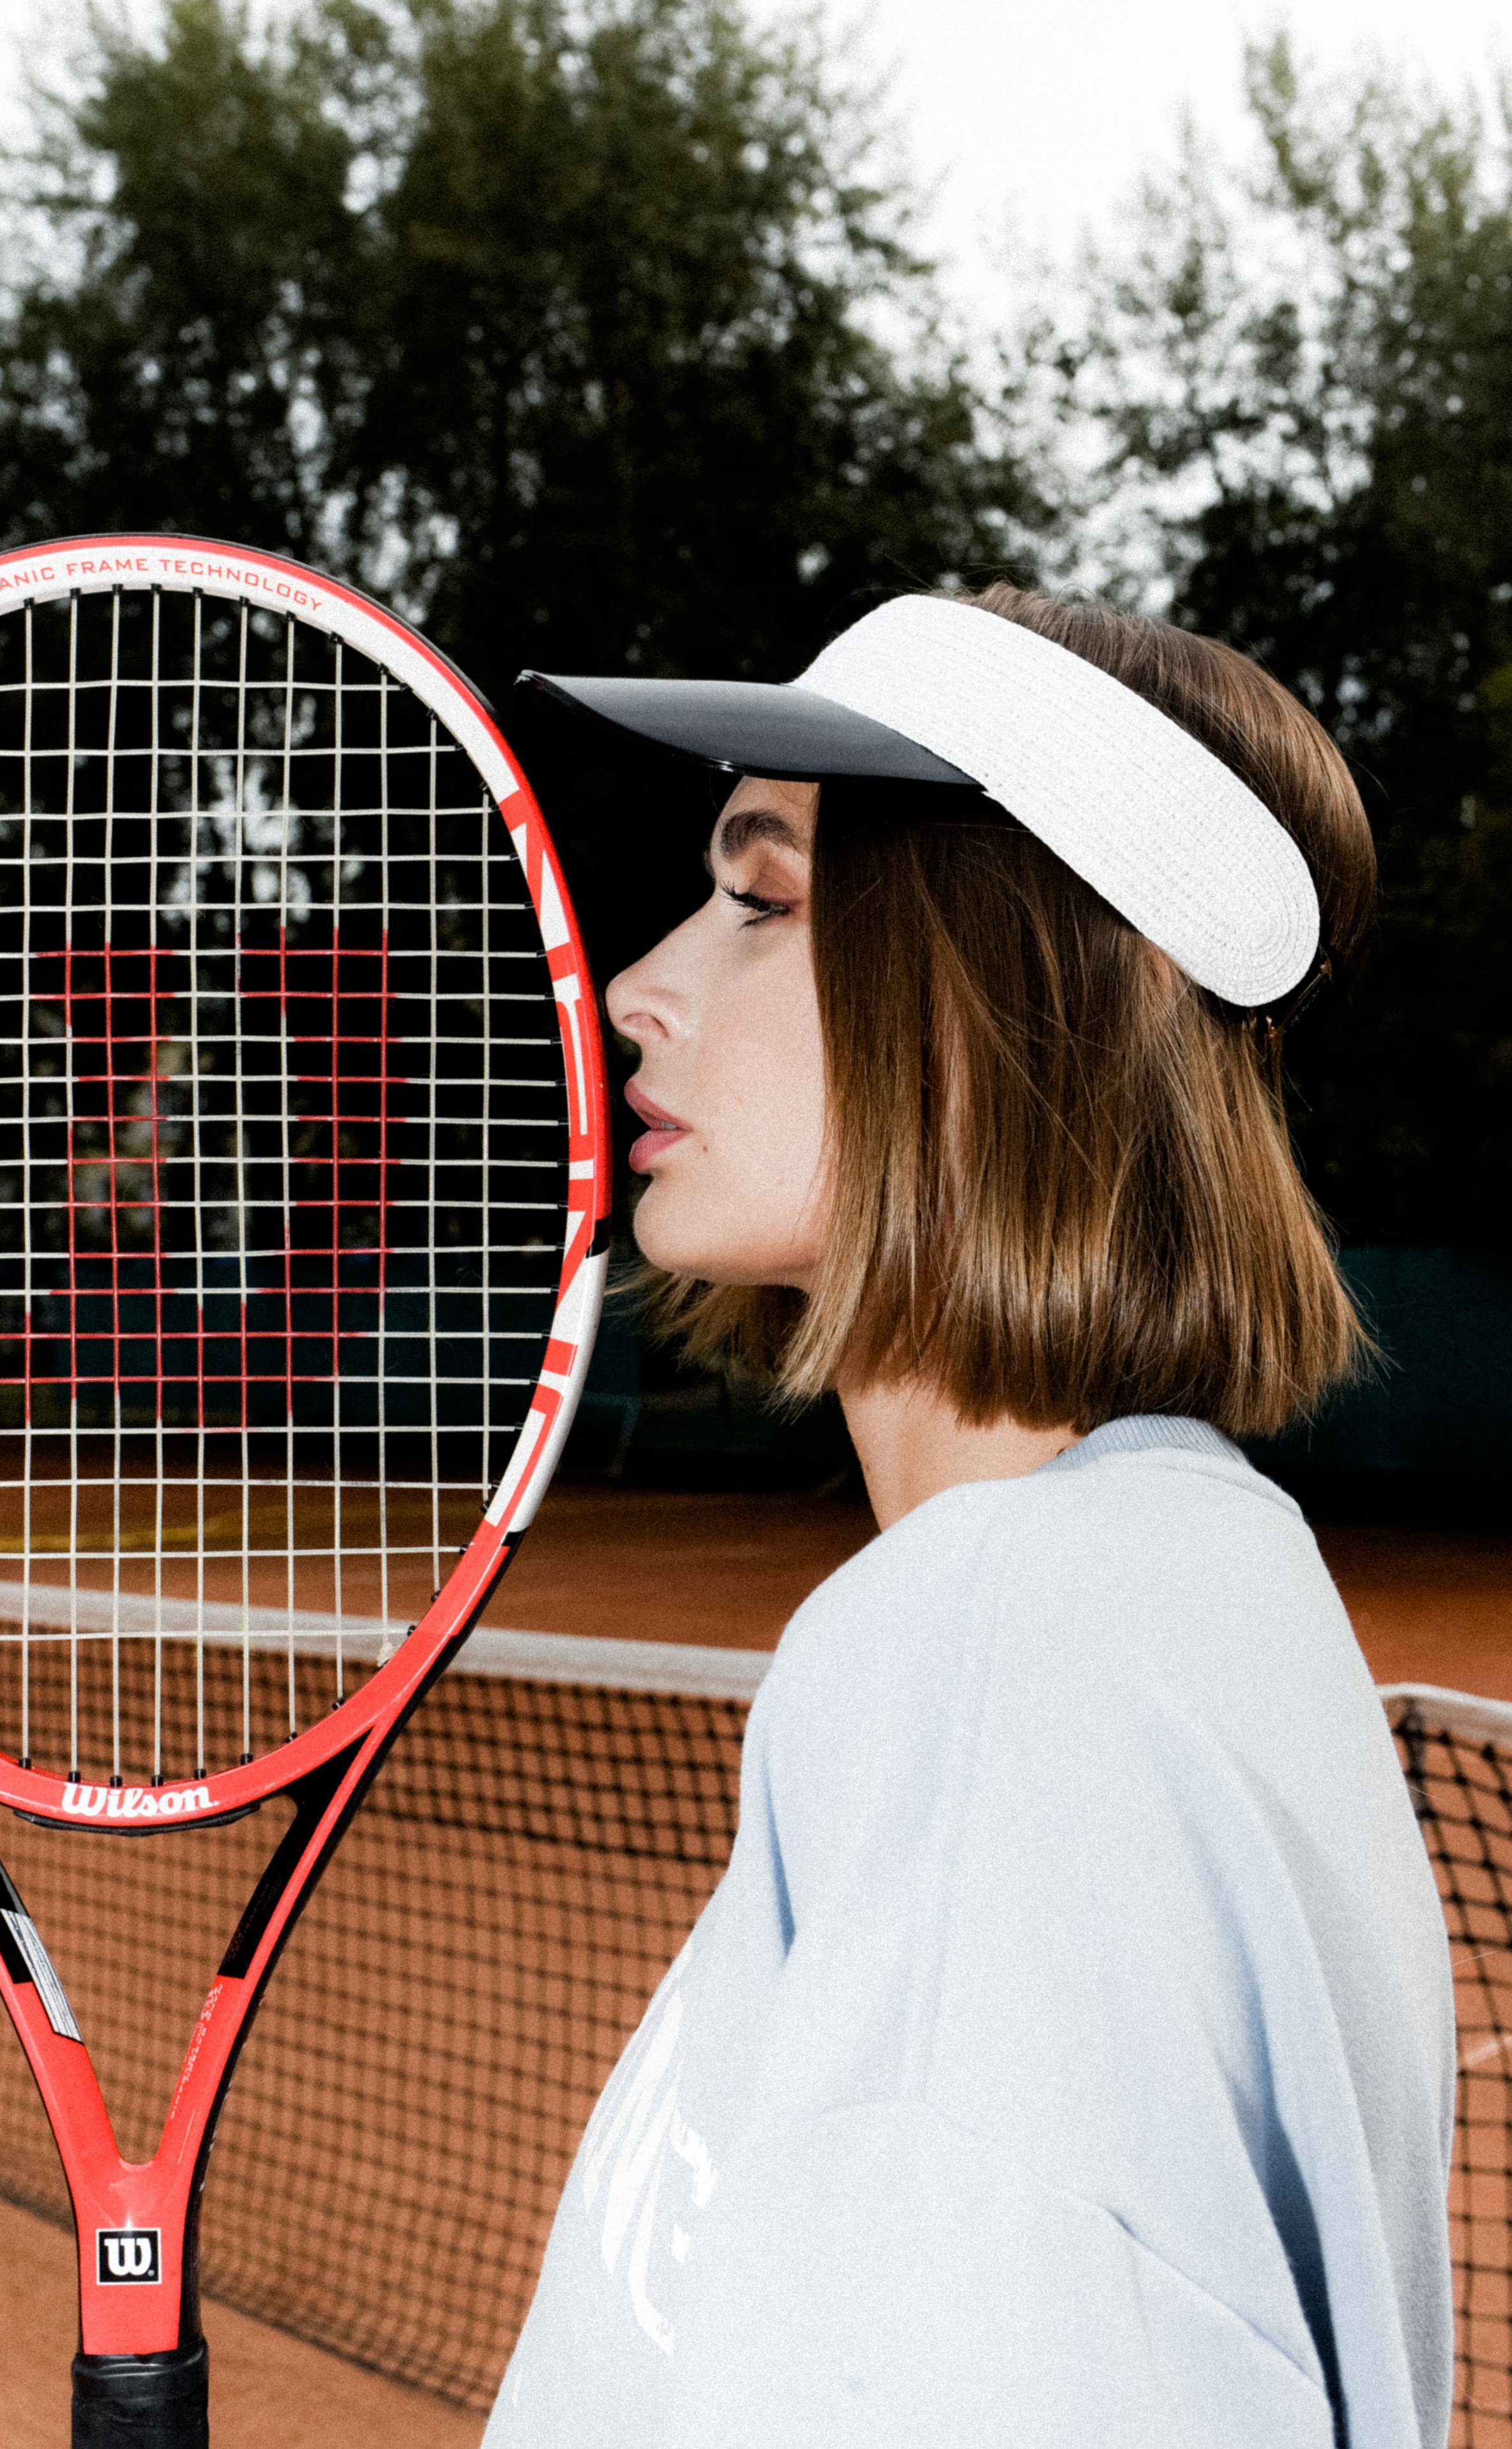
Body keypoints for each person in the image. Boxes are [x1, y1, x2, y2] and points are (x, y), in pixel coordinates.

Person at [487, 586, 1455, 2448]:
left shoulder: (1001, 1662)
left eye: (764, 900)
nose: (637, 987)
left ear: (1046, 990)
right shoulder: (1185, 1578)